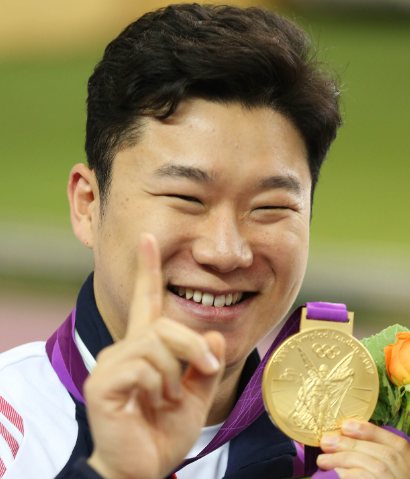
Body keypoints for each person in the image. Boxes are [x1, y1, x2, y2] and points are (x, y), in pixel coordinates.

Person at [0, 4, 409, 479]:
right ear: (88, 205)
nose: (226, 251)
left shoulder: (358, 451)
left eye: (269, 207)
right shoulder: (13, 423)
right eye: (186, 198)